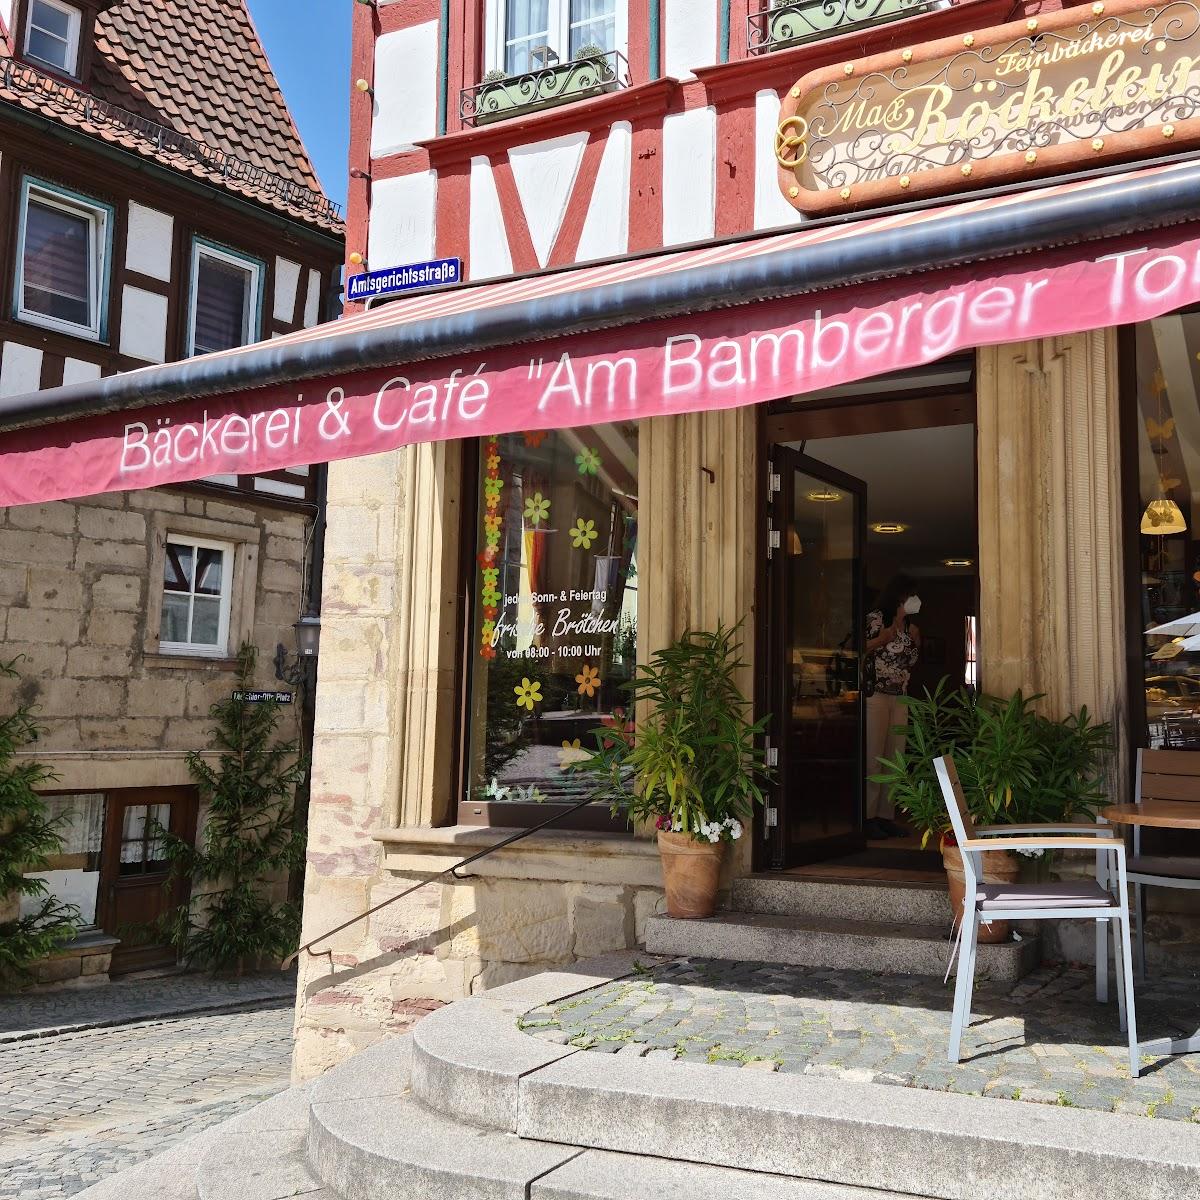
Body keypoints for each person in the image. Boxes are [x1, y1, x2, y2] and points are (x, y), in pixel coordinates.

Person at [863, 574, 921, 839]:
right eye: (911, 595)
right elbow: (861, 648)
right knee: (874, 756)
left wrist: (915, 640)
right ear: (899, 596)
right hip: (877, 694)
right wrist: (883, 638)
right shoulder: (877, 618)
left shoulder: (910, 626)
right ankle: (867, 816)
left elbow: (910, 662)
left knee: (895, 757)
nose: (915, 600)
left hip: (900, 696)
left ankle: (887, 815)